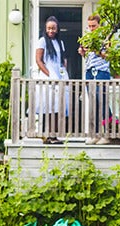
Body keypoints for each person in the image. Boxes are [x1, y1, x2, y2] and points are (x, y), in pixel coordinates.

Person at [80, 14, 112, 145]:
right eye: (90, 26)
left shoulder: (105, 37)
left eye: (94, 26)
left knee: (102, 101)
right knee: (93, 103)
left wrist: (97, 51)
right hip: (89, 72)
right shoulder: (87, 37)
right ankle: (95, 134)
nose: (91, 28)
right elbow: (88, 57)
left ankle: (108, 134)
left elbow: (109, 55)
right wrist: (83, 53)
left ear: (99, 25)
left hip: (102, 72)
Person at [35, 16, 69, 145]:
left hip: (59, 76)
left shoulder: (60, 42)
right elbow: (38, 60)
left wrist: (63, 71)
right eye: (49, 28)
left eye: (53, 28)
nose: (51, 30)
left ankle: (53, 135)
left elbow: (63, 59)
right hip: (48, 77)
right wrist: (50, 74)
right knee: (48, 106)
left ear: (57, 29)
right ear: (45, 28)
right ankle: (47, 135)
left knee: (57, 107)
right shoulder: (42, 41)